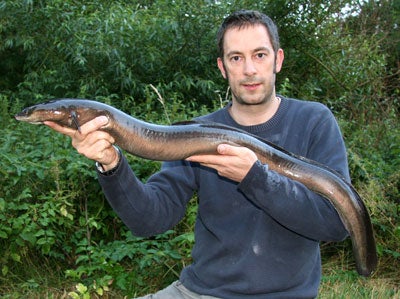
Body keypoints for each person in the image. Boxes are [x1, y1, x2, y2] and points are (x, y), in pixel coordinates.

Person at [46, 9, 350, 299]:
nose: (249, 69)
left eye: (260, 54)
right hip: (200, 292)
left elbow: (336, 223)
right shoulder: (195, 134)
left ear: (277, 60)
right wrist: (111, 164)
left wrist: (255, 177)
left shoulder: (314, 121)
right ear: (222, 67)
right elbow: (150, 220)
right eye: (236, 58)